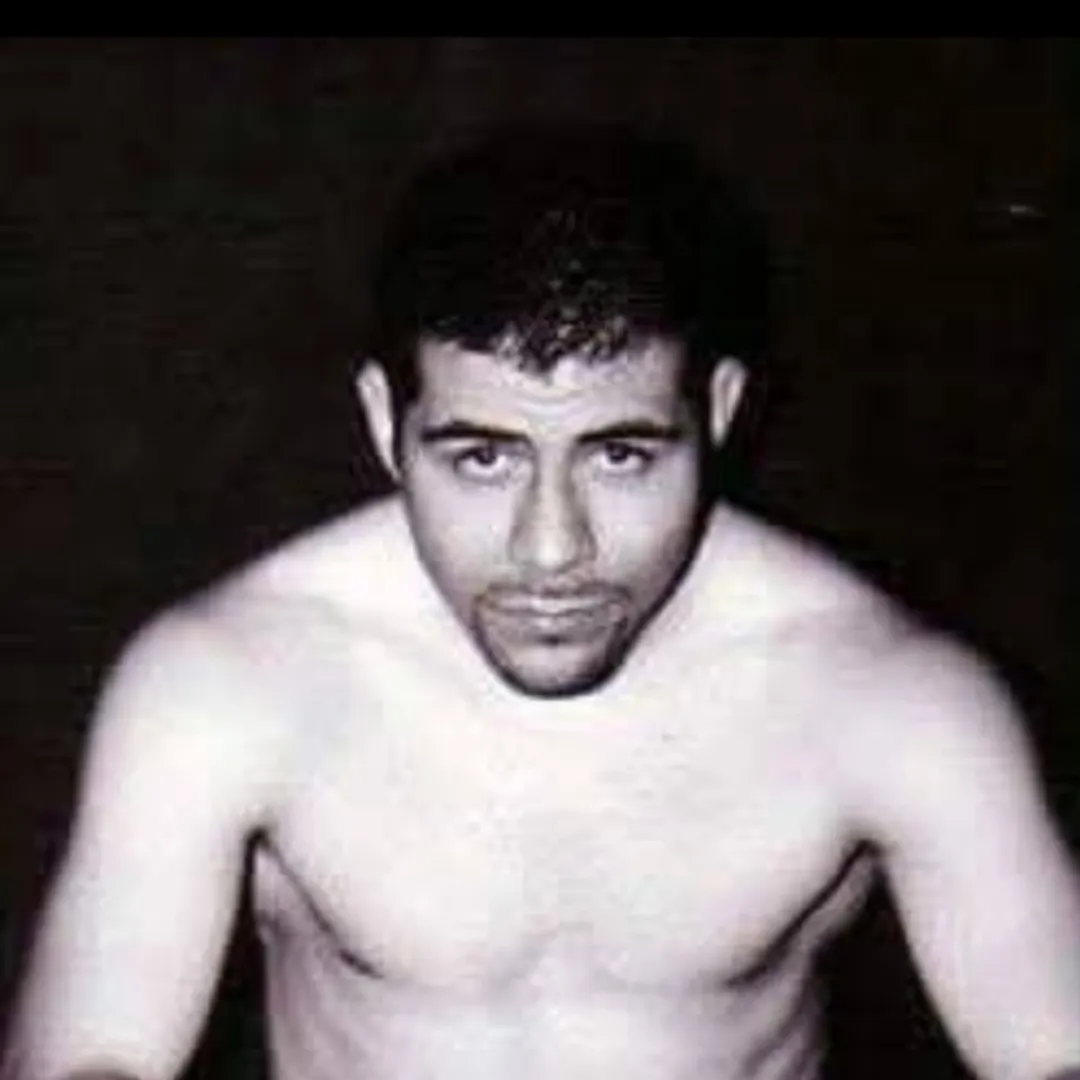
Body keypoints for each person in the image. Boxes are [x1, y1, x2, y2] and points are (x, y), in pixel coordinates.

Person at [3, 124, 1079, 1080]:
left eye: (620, 455)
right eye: (482, 458)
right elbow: (93, 1054)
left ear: (718, 412)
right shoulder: (231, 679)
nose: (552, 549)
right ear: (384, 423)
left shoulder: (888, 699)